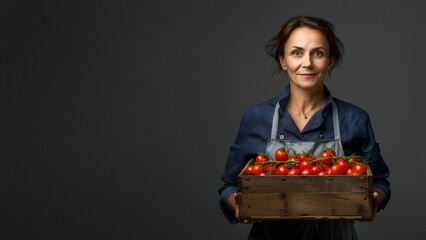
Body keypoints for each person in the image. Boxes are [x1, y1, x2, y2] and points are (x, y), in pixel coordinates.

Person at [217, 16, 391, 239]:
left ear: (330, 61)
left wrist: (373, 199)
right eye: (296, 52)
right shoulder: (256, 117)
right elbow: (229, 186)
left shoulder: (354, 118)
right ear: (283, 60)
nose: (307, 63)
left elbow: (380, 182)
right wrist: (237, 204)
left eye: (317, 53)